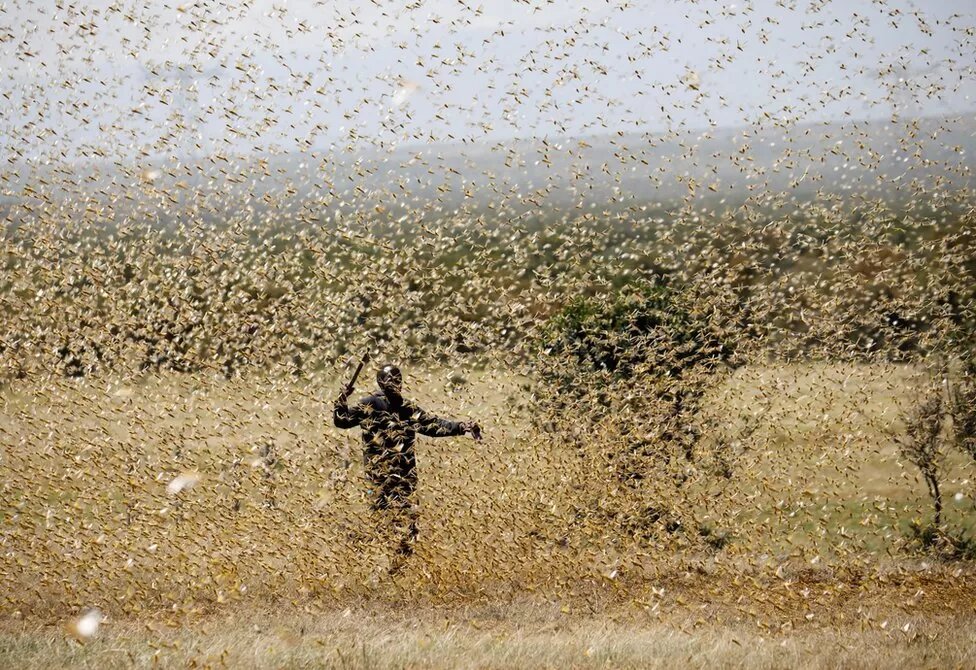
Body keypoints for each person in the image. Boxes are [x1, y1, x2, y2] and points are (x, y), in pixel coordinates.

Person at [333, 364, 481, 560]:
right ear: (381, 383)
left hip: (404, 478)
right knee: (383, 522)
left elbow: (433, 425)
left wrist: (462, 426)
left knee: (408, 528)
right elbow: (342, 421)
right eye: (390, 380)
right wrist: (341, 401)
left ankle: (398, 567)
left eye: (397, 379)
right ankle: (377, 561)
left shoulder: (407, 409)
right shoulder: (369, 404)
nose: (395, 383)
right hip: (379, 479)